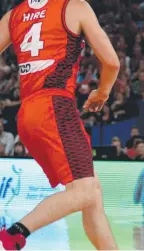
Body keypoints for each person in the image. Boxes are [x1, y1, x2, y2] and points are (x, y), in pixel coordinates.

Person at [0, 0, 120, 250]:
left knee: (92, 192)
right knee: (86, 191)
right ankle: (15, 233)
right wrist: (103, 91)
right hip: (54, 107)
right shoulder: (74, 6)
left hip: (26, 114)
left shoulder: (13, 15)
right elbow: (112, 62)